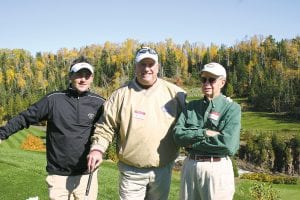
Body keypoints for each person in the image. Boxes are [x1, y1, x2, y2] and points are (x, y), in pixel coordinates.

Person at [87, 47, 186, 200]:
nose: (146, 69)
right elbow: (105, 126)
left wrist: (221, 101)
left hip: (163, 171)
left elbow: (194, 120)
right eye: (142, 64)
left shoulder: (176, 94)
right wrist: (97, 149)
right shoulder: (120, 95)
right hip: (131, 172)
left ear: (158, 67)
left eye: (151, 64)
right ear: (135, 66)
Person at [0, 57, 105, 200]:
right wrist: (2, 134)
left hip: (86, 176)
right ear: (70, 76)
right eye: (79, 74)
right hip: (58, 176)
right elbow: (25, 118)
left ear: (92, 78)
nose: (83, 79)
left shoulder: (99, 103)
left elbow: (109, 128)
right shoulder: (54, 99)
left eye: (87, 75)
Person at [173, 62, 241, 200]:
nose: (206, 83)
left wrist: (191, 143)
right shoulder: (191, 106)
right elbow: (177, 135)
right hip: (190, 167)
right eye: (204, 79)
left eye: (212, 79)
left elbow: (228, 145)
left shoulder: (232, 108)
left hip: (217, 169)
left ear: (222, 82)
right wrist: (204, 133)